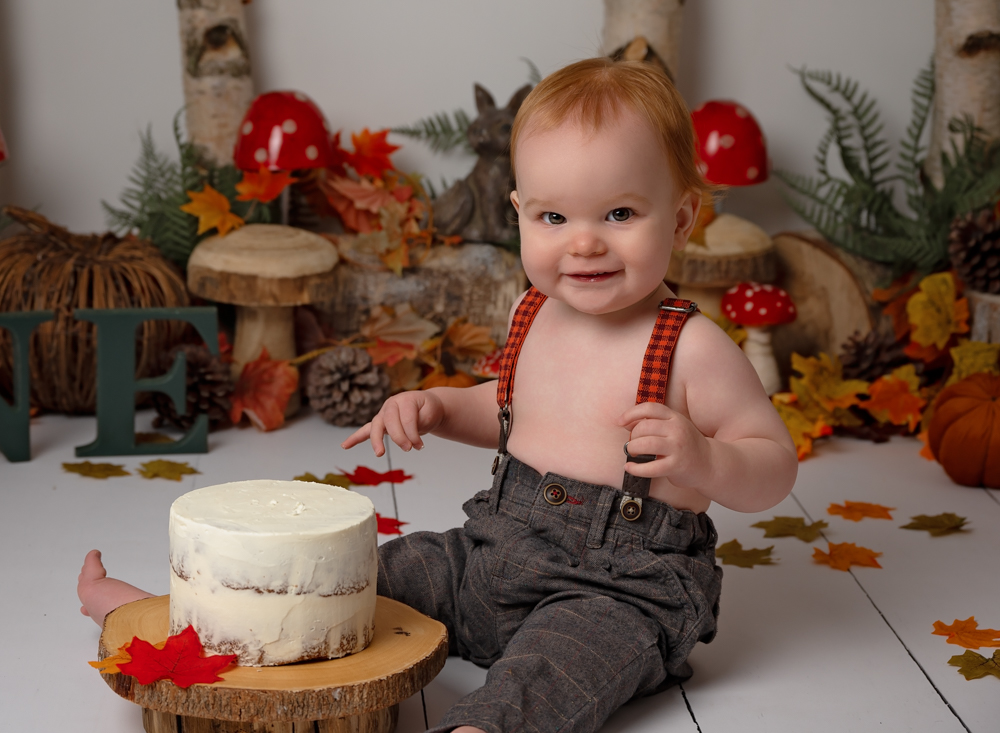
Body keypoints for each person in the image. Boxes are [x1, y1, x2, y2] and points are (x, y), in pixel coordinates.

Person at [79, 57, 797, 733]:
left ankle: (481, 724)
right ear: (517, 212)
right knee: (365, 578)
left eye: (619, 215)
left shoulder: (692, 347)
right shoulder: (533, 312)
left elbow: (773, 463)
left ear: (680, 217)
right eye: (554, 218)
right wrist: (439, 406)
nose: (583, 244)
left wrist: (702, 457)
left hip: (617, 590)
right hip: (487, 555)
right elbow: (511, 411)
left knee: (554, 667)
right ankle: (174, 624)